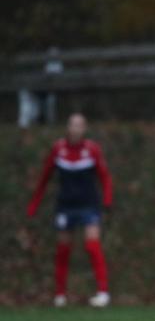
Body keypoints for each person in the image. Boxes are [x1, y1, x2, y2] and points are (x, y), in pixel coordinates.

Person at [27, 112, 113, 307]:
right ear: (68, 127)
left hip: (89, 204)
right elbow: (44, 178)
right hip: (65, 206)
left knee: (92, 245)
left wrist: (107, 200)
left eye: (79, 125)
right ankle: (60, 294)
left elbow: (105, 177)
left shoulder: (92, 150)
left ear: (84, 129)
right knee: (63, 249)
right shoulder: (58, 149)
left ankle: (102, 292)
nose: (75, 129)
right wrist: (34, 204)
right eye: (72, 125)